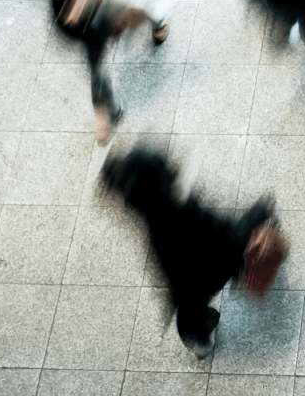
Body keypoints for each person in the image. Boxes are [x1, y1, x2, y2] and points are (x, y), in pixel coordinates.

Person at [102, 148, 286, 358]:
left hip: (196, 283)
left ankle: (200, 342)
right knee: (244, 230)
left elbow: (172, 271)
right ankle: (264, 216)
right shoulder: (184, 209)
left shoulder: (157, 224)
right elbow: (221, 231)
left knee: (189, 319)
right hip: (219, 259)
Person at [54, 0, 174, 142]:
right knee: (97, 72)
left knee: (145, 3)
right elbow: (64, 25)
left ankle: (158, 23)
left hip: (106, 7)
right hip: (90, 29)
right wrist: (74, 17)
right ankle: (110, 111)